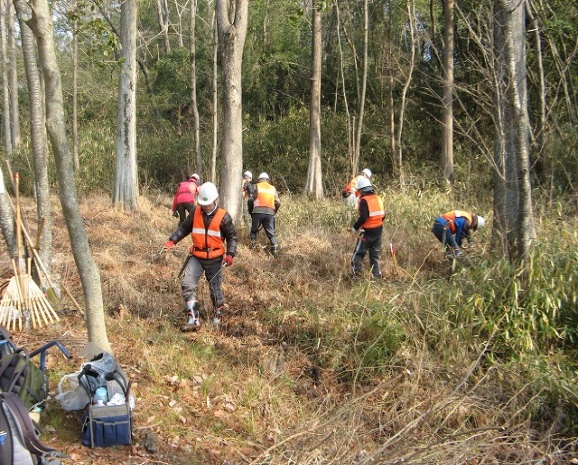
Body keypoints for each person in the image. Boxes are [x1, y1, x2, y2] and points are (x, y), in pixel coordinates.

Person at [163, 182, 237, 332]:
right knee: (187, 283)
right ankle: (193, 319)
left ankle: (219, 313)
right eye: (204, 204)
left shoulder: (224, 216)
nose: (206, 207)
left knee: (215, 289)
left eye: (209, 204)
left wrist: (230, 254)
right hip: (197, 255)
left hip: (215, 258)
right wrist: (172, 241)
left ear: (215, 200)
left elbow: (232, 237)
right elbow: (184, 228)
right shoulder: (195, 212)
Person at [350, 176, 385, 280]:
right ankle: (377, 277)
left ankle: (357, 277)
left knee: (358, 255)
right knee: (375, 255)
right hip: (379, 231)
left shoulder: (364, 201)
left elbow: (364, 217)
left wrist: (355, 228)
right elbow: (383, 215)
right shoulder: (378, 198)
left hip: (367, 232)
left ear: (361, 190)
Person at [250, 172, 281, 258]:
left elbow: (250, 200)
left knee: (254, 230)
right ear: (268, 180)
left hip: (257, 212)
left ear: (259, 179)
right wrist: (274, 212)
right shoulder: (273, 188)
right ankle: (275, 252)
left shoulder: (256, 186)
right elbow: (278, 202)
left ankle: (252, 250)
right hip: (270, 213)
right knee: (271, 233)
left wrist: (251, 212)